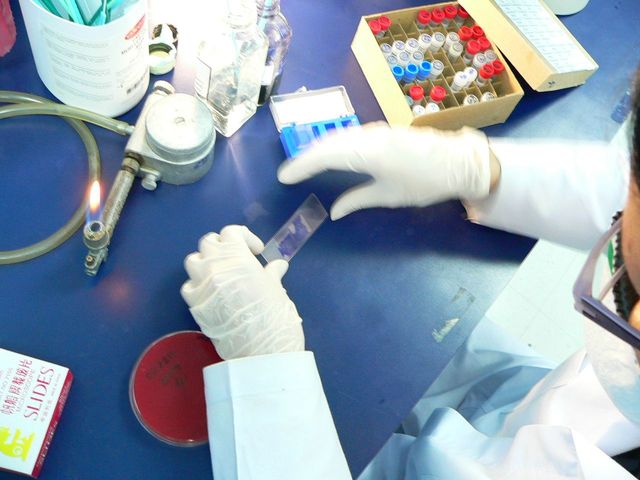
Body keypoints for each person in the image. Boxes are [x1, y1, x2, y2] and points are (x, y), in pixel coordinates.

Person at [180, 76, 640, 479]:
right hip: (512, 407)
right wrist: (484, 169)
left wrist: (268, 371)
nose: (627, 311)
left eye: (626, 293)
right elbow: (620, 190)